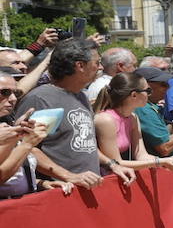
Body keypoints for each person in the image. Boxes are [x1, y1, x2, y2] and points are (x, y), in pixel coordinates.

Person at [15, 38, 130, 190]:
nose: (101, 67)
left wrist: (111, 164)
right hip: (60, 194)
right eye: (97, 62)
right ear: (80, 66)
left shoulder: (81, 96)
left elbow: (84, 143)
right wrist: (68, 176)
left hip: (87, 191)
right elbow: (27, 148)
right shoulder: (41, 99)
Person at [92, 72, 173, 176]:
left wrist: (172, 160)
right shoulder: (106, 120)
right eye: (148, 91)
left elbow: (141, 155)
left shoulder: (133, 118)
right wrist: (160, 162)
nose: (149, 94)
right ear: (134, 95)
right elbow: (116, 162)